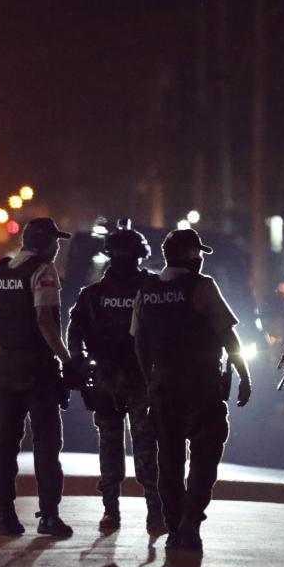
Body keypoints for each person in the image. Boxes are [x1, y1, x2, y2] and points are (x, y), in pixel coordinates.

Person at [131, 228, 252, 551]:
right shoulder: (203, 287)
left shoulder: (147, 290)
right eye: (197, 253)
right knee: (204, 456)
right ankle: (191, 522)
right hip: (202, 385)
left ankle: (174, 525)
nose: (200, 259)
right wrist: (244, 375)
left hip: (163, 385)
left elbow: (140, 344)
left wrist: (150, 382)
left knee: (168, 460)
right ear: (189, 256)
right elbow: (227, 335)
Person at [67, 227, 166, 533]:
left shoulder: (95, 294)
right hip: (121, 381)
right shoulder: (148, 290)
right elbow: (75, 333)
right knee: (137, 447)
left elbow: (74, 333)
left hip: (131, 381)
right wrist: (81, 365)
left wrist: (80, 363)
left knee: (130, 448)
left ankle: (131, 510)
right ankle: (144, 511)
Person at [0, 217, 75, 538]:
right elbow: (44, 320)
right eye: (55, 242)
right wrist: (67, 360)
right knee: (46, 442)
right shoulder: (43, 270)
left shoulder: (1, 270)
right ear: (45, 243)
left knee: (6, 442)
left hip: (6, 365)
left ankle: (5, 516)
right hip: (36, 368)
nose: (57, 248)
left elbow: (8, 317)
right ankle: (49, 516)